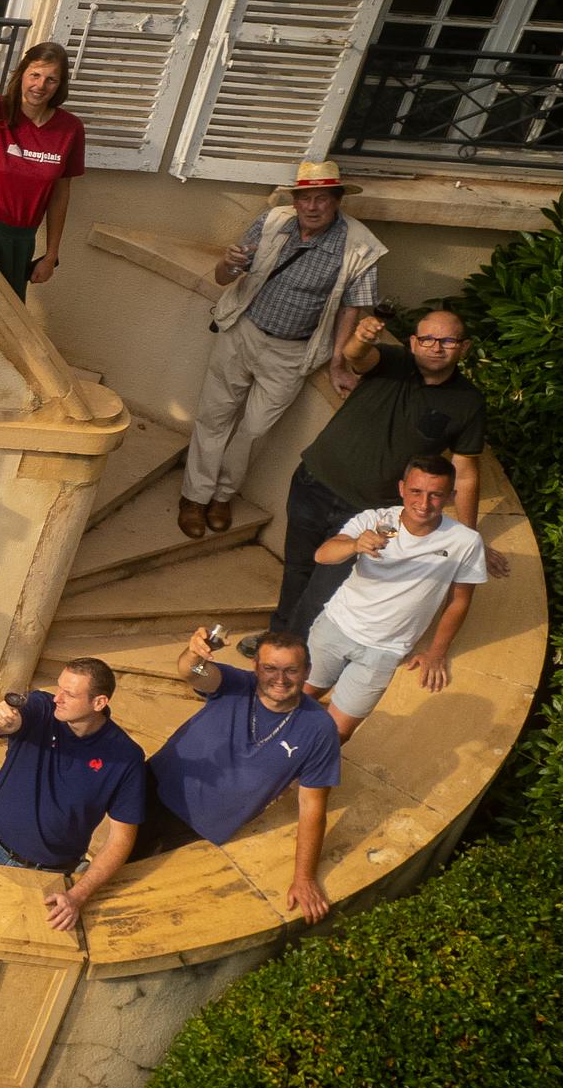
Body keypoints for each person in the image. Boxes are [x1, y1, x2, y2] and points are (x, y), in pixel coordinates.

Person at [177, 162, 386, 540]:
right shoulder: (273, 222)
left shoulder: (359, 246)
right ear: (295, 200)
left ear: (338, 201)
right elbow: (223, 278)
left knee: (255, 430)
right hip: (243, 331)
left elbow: (351, 308)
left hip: (292, 353)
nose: (312, 206)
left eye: (322, 198)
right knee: (214, 416)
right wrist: (227, 265)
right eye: (305, 197)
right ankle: (195, 496)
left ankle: (223, 495)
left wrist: (339, 362)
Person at [274, 308, 486, 637]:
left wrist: (469, 539)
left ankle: (296, 650)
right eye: (427, 338)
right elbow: (356, 356)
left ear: (465, 347)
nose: (436, 346)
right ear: (414, 342)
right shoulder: (392, 361)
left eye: (447, 340)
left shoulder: (468, 402)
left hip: (368, 512)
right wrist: (360, 337)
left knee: (325, 588)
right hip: (312, 484)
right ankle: (278, 637)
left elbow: (466, 471)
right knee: (297, 567)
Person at [0, 660, 148, 935]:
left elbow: (121, 838)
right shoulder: (41, 708)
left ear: (99, 702)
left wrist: (79, 894)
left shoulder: (125, 758)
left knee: (15, 939)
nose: (58, 698)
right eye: (59, 687)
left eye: (70, 694)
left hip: (47, 872)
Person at [142, 627, 340, 921]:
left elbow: (312, 805)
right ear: (256, 667)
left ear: (307, 671)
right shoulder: (236, 684)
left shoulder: (319, 728)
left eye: (291, 670)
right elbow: (193, 671)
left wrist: (305, 878)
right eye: (270, 668)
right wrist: (194, 653)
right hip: (153, 785)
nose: (280, 679)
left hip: (197, 827)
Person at [304, 454, 490, 742]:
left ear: (451, 496)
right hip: (335, 628)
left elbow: (459, 600)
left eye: (435, 495)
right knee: (298, 699)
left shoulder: (465, 542)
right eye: (416, 492)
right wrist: (354, 544)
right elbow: (322, 555)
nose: (423, 503)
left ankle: (298, 776)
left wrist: (436, 653)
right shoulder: (375, 519)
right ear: (402, 488)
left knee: (337, 734)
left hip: (385, 651)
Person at [0, 24, 85, 296]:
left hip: (19, 242)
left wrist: (51, 256)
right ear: (22, 74)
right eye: (34, 75)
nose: (40, 85)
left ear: (60, 85)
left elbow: (60, 193)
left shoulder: (70, 129)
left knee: (1, 321)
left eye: (51, 79)